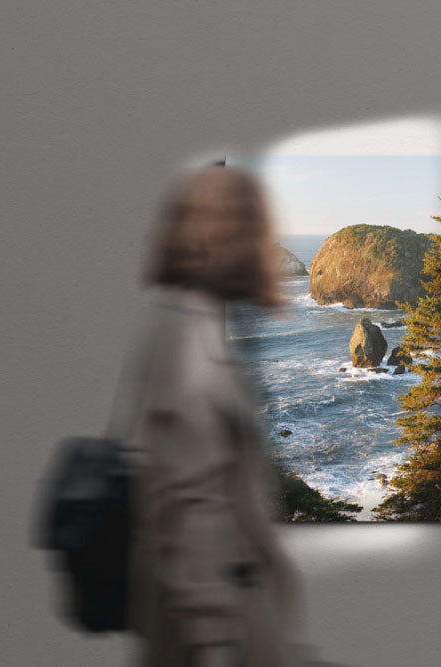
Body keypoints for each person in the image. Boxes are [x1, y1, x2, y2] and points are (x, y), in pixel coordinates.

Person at [117, 165, 302, 666]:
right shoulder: (188, 334)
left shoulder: (188, 318)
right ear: (235, 235)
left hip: (217, 612)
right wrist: (215, 641)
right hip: (216, 623)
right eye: (261, 227)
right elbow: (189, 498)